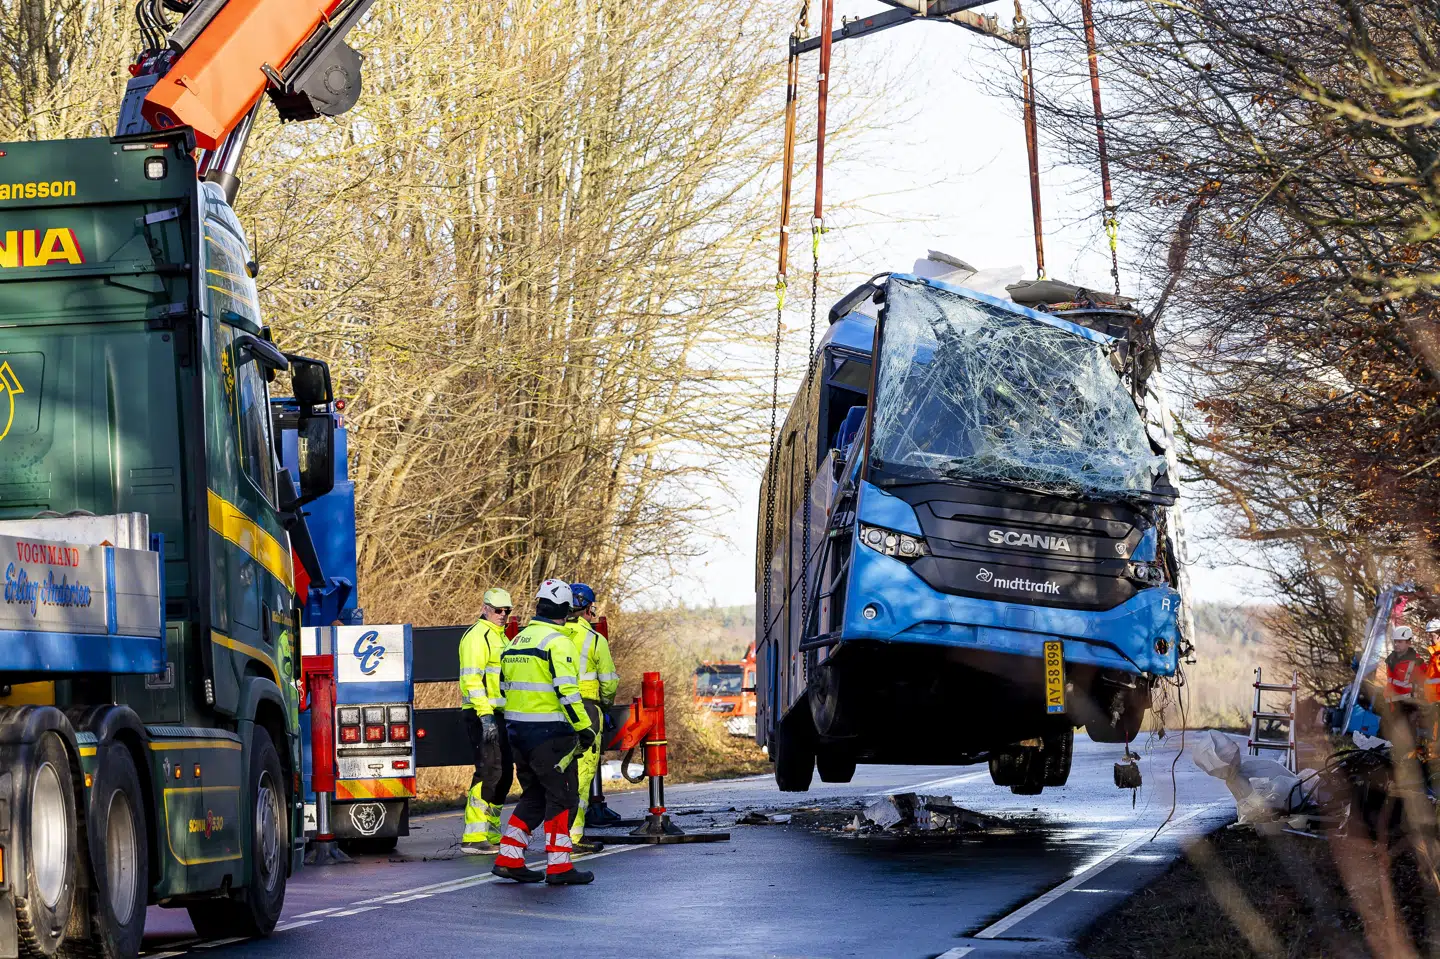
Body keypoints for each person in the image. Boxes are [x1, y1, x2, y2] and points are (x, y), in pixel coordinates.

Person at [491, 580, 597, 885]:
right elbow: (567, 692)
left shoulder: (517, 641)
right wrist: (584, 728)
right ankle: (560, 867)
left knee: (535, 796)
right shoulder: (558, 641)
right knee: (563, 798)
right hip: (551, 735)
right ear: (566, 610)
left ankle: (509, 858)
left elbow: (503, 688)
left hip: (518, 734)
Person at [563, 583, 619, 849]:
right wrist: (604, 706)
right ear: (588, 608)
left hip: (554, 710)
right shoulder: (595, 640)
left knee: (558, 773)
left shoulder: (552, 635)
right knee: (583, 774)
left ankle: (554, 833)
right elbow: (608, 682)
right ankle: (573, 835)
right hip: (587, 710)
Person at [457, 588, 514, 854]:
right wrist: (485, 715)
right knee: (488, 771)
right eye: (498, 610)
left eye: (507, 611)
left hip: (499, 713)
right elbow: (471, 679)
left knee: (503, 774)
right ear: (485, 608)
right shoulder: (477, 636)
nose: (502, 615)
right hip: (482, 714)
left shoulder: (500, 638)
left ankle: (491, 832)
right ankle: (474, 835)